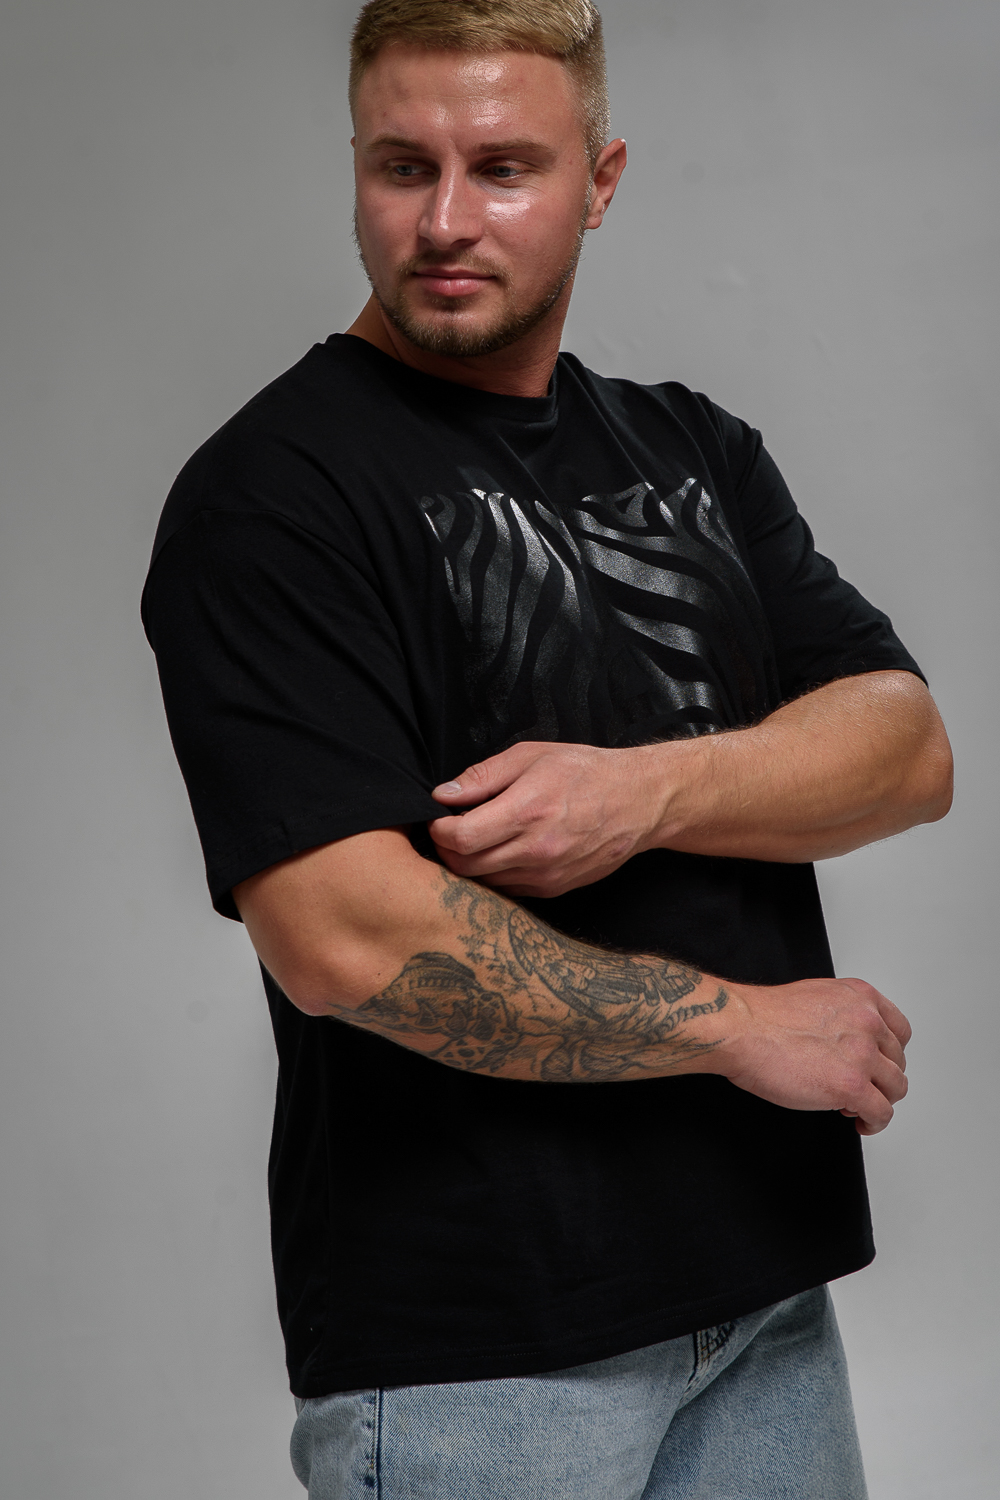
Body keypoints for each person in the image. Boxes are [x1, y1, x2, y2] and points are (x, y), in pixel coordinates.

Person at [141, 2, 953, 1495]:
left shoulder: (692, 448)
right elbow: (340, 937)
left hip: (762, 1303)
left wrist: (643, 792)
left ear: (601, 178)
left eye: (504, 167)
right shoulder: (273, 497)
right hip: (482, 1360)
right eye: (403, 166)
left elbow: (904, 749)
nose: (446, 220)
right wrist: (741, 1026)